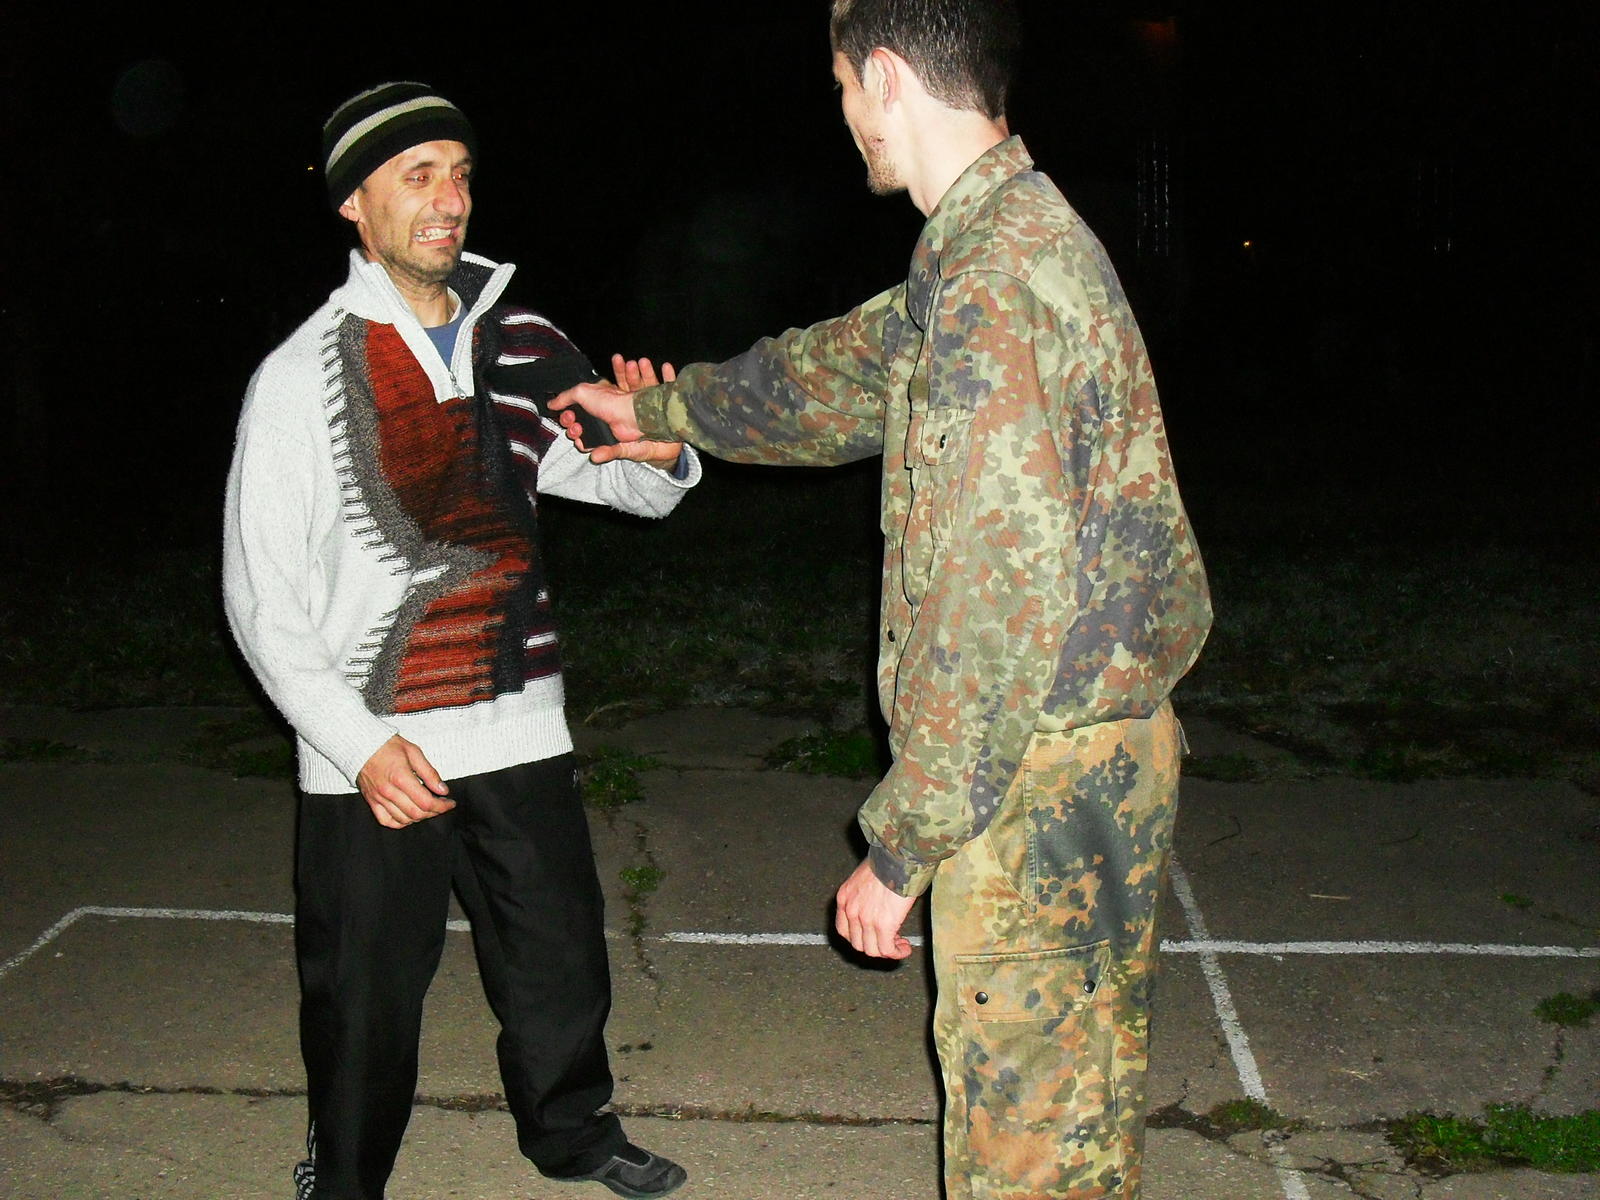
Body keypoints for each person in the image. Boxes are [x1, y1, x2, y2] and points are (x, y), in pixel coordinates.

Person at [552, 3, 1212, 1197]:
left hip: (1036, 781)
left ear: (889, 77)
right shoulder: (994, 243)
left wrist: (902, 845)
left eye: (845, 86)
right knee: (1072, 1122)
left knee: (1031, 1155)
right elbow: (840, 373)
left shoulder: (993, 283)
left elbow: (990, 604)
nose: (846, 115)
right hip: (1073, 760)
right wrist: (659, 413)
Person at [222, 81, 692, 1200]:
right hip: (374, 746)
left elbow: (618, 483)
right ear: (354, 203)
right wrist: (354, 744)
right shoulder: (297, 377)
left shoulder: (521, 341)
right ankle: (346, 1173)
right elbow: (260, 597)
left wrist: (663, 451)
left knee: (558, 961)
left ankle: (573, 1136)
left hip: (517, 721)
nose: (449, 198)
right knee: (362, 993)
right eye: (417, 176)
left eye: (461, 173)